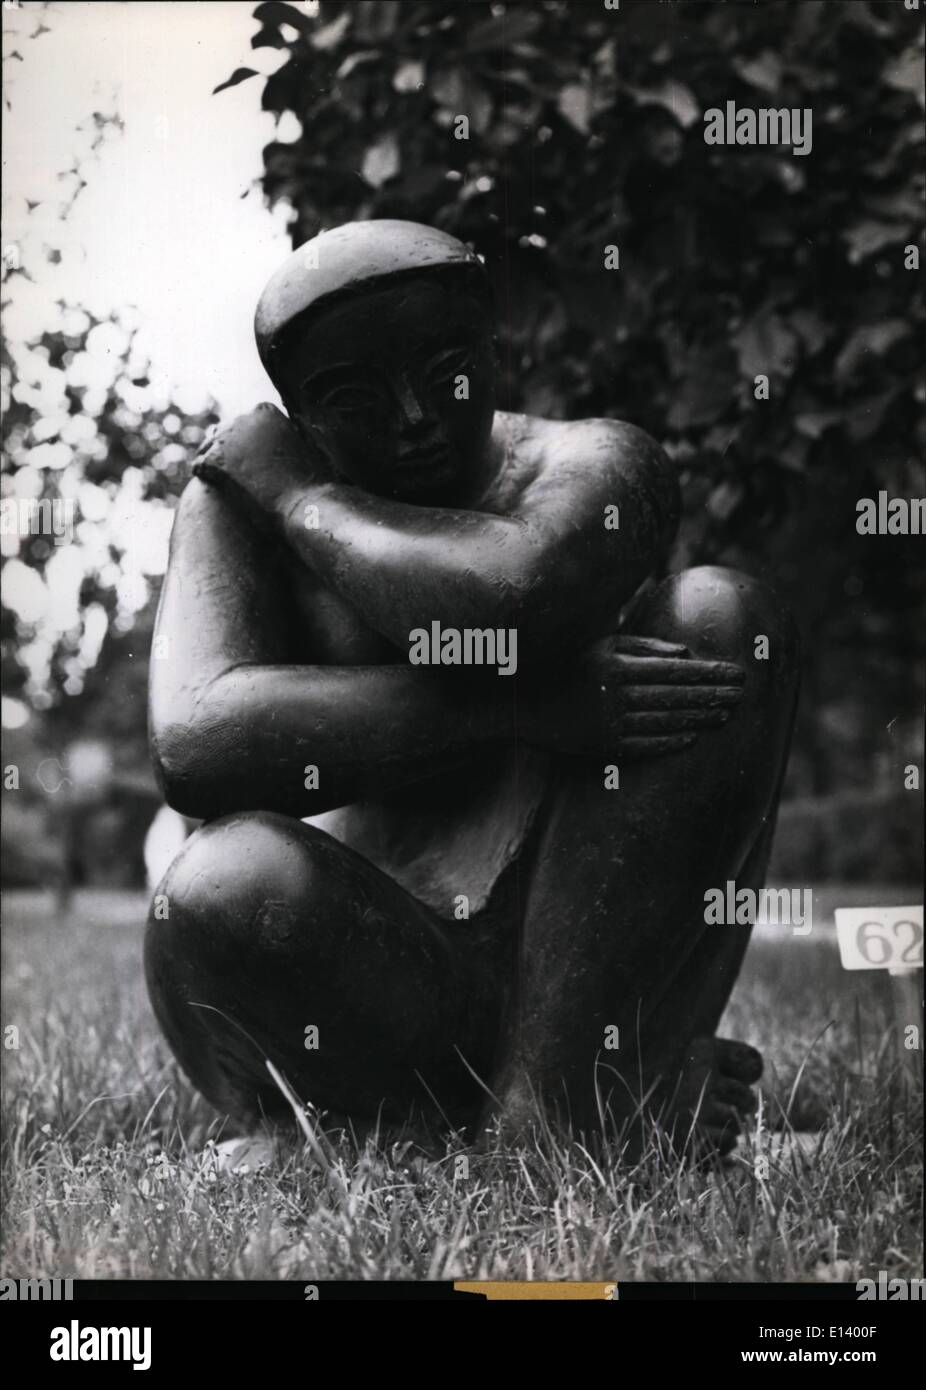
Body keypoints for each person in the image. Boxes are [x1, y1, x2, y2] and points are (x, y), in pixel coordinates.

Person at [145, 220, 799, 1153]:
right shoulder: (238, 506)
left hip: (578, 959)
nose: (412, 416)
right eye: (353, 397)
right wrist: (514, 706)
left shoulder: (595, 466)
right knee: (224, 881)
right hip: (364, 972)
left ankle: (558, 1105)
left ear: (496, 352)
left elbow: (511, 598)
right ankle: (495, 1111)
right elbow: (198, 747)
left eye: (444, 366)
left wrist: (305, 501)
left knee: (724, 622)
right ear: (296, 414)